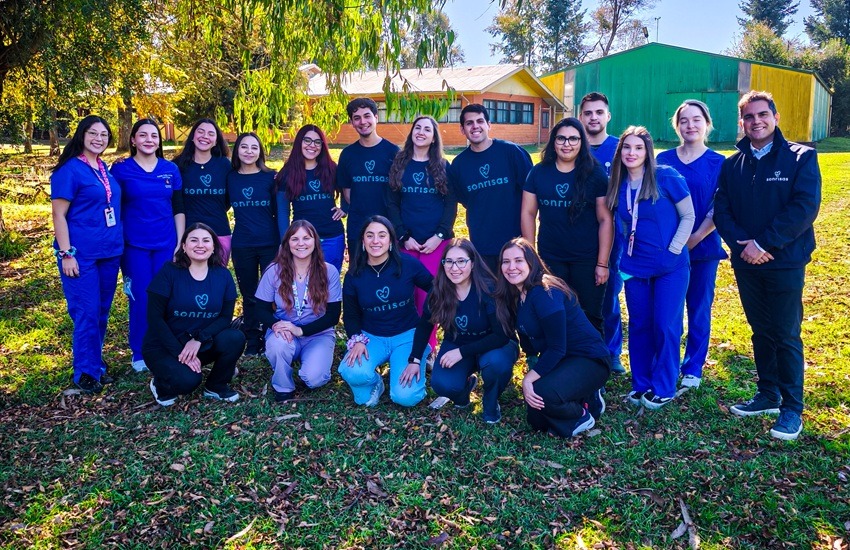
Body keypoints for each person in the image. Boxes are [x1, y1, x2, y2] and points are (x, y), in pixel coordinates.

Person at [713, 90, 821, 441]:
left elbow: (804, 208)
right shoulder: (732, 165)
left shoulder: (801, 157)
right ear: (741, 122)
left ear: (775, 117)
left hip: (784, 261)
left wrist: (765, 243)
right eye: (749, 116)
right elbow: (722, 210)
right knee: (760, 329)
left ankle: (792, 408)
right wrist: (744, 245)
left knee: (785, 332)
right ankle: (768, 394)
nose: (756, 121)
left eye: (762, 114)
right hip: (747, 262)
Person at [606, 127, 695, 410]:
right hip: (635, 267)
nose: (632, 153)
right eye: (626, 147)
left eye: (638, 148)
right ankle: (641, 383)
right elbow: (620, 225)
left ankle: (664, 386)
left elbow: (688, 215)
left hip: (671, 266)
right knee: (640, 325)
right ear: (619, 152)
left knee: (665, 325)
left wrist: (674, 249)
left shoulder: (665, 176)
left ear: (648, 152)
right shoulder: (617, 183)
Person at [494, 238, 609, 438]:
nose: (511, 267)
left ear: (531, 262)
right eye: (506, 261)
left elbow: (557, 347)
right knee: (536, 420)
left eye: (518, 260)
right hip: (562, 360)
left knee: (541, 394)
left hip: (589, 359)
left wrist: (528, 379)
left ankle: (582, 414)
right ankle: (583, 395)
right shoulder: (516, 295)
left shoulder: (545, 292)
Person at [656, 100, 726, 391]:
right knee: (668, 310)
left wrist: (694, 238)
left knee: (698, 308)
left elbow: (720, 206)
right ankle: (667, 363)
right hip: (668, 251)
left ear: (707, 124)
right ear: (677, 126)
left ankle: (693, 367)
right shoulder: (663, 160)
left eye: (696, 119)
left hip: (703, 248)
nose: (690, 125)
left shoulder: (719, 162)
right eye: (684, 120)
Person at [50, 115, 123, 394]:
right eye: (93, 133)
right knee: (86, 312)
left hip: (109, 251)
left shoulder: (103, 168)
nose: (98, 139)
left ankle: (96, 365)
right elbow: (58, 214)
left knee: (101, 311)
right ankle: (85, 373)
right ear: (81, 135)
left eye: (104, 135)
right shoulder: (69, 170)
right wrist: (66, 253)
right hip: (81, 254)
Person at [407, 238, 518, 423]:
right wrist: (415, 359)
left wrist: (461, 352)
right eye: (449, 262)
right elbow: (425, 326)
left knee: (496, 363)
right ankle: (463, 391)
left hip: (495, 345)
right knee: (442, 384)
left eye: (461, 261)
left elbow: (501, 336)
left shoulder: (488, 289)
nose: (454, 268)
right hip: (458, 342)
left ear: (472, 263)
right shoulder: (439, 290)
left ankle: (491, 402)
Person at [521, 117, 613, 334]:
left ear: (582, 142)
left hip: (587, 259)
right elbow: (528, 213)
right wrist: (531, 256)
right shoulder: (539, 172)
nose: (567, 144)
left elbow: (605, 219)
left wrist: (602, 264)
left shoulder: (595, 174)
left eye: (573, 139)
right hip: (550, 257)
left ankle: (593, 355)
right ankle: (558, 355)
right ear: (553, 141)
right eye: (561, 138)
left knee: (590, 317)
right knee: (554, 315)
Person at [112, 118, 184, 373]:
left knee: (166, 297)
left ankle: (167, 346)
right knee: (141, 297)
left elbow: (178, 208)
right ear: (133, 140)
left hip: (166, 243)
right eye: (143, 135)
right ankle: (140, 351)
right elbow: (112, 205)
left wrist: (180, 242)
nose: (149, 140)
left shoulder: (170, 169)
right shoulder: (120, 170)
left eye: (154, 135)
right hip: (134, 246)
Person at [144, 223, 244, 406]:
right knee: (188, 381)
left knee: (234, 338)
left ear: (213, 246)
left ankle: (216, 386)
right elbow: (154, 318)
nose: (200, 245)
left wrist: (199, 339)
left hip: (199, 344)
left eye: (206, 240)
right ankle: (160, 384)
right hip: (164, 345)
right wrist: (180, 352)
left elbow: (224, 318)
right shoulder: (169, 272)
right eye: (194, 240)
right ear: (184, 246)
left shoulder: (223, 276)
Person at [338, 216, 433, 407]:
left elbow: (436, 289)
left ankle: (418, 359)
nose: (376, 241)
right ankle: (376, 383)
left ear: (391, 240)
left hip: (407, 336)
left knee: (405, 397)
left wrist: (426, 322)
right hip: (372, 336)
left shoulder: (407, 264)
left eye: (382, 235)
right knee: (353, 375)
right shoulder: (354, 275)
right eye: (370, 235)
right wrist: (357, 339)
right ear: (362, 240)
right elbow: (351, 314)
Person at [387, 115, 457, 352]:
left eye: (427, 129)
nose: (421, 132)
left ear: (434, 137)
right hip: (407, 243)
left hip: (435, 243)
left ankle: (429, 346)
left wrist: (439, 236)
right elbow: (392, 203)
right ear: (412, 132)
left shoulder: (443, 166)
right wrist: (403, 236)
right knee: (406, 292)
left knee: (429, 295)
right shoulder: (399, 164)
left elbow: (450, 204)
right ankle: (405, 343)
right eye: (418, 127)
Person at [254, 221, 342, 402]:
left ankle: (311, 360)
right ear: (287, 243)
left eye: (306, 238)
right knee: (278, 346)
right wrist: (276, 325)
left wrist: (301, 331)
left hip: (318, 334)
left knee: (314, 379)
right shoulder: (274, 271)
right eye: (295, 239)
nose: (301, 243)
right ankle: (283, 385)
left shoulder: (329, 271)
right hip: (285, 331)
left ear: (315, 241)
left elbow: (333, 315)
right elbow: (260, 309)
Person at [449, 103, 533, 273]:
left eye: (480, 121)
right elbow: (465, 199)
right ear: (462, 129)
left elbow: (530, 196)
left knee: (517, 288)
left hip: (514, 243)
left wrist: (528, 243)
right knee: (488, 288)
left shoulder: (512, 153)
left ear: (489, 125)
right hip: (482, 244)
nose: (475, 126)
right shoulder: (458, 165)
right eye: (469, 123)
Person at [579, 91, 625, 374]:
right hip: (577, 234)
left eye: (599, 112)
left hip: (613, 235)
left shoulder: (620, 148)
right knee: (575, 295)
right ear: (580, 117)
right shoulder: (573, 146)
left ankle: (612, 351)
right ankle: (581, 349)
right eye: (588, 113)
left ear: (608, 116)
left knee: (608, 294)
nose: (593, 117)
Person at [227, 132, 279, 356]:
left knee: (270, 293)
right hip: (242, 244)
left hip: (269, 243)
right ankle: (252, 339)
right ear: (237, 150)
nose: (249, 151)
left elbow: (279, 211)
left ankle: (270, 336)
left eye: (254, 147)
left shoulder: (271, 177)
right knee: (249, 294)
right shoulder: (230, 178)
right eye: (244, 147)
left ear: (260, 152)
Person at [276, 124, 346, 271]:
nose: (312, 145)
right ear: (299, 142)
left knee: (330, 280)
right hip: (302, 240)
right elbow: (283, 211)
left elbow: (349, 187)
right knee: (304, 281)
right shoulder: (287, 173)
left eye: (317, 142)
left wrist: (345, 208)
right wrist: (285, 241)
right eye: (307, 140)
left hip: (332, 237)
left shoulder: (331, 169)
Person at [336, 98, 400, 257]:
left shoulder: (393, 152)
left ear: (376, 118)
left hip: (387, 226)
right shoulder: (347, 154)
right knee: (358, 269)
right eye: (357, 118)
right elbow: (347, 193)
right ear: (352, 122)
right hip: (357, 227)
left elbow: (399, 192)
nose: (362, 122)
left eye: (367, 116)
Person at [172, 118, 232, 264]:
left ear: (216, 140)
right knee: (189, 277)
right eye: (201, 132)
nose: (205, 136)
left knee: (217, 276)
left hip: (219, 232)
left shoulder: (224, 165)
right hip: (188, 235)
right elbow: (177, 204)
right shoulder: (178, 165)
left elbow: (229, 199)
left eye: (211, 133)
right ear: (193, 136)